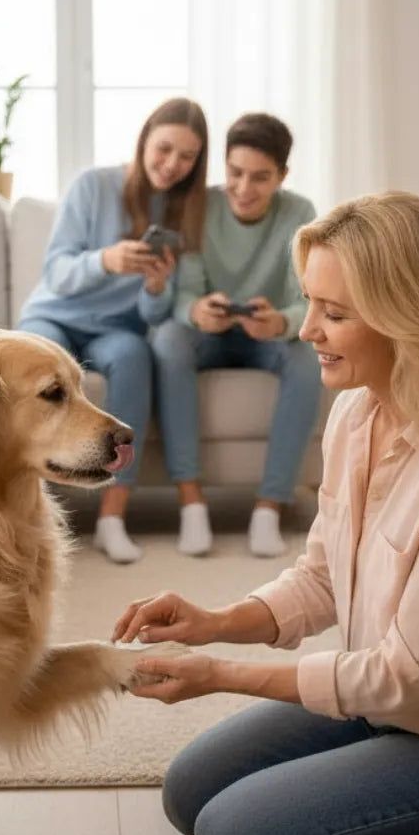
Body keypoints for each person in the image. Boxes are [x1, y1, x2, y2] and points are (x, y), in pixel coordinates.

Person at [112, 191, 419, 835]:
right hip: (380, 710)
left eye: (335, 313)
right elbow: (321, 576)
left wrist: (221, 674)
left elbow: (408, 674)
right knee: (188, 792)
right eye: (310, 303)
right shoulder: (354, 413)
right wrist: (215, 622)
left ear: (407, 317)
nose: (306, 329)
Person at [18, 98, 208, 564]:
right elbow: (57, 272)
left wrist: (156, 286)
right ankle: (26, 515)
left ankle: (111, 517)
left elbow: (154, 314)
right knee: (37, 373)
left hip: (116, 330)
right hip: (56, 314)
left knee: (134, 357)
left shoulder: (181, 212)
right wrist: (106, 260)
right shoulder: (92, 185)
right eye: (164, 148)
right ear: (144, 141)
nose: (172, 164)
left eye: (187, 157)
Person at [150, 114, 322, 558]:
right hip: (210, 335)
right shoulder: (198, 206)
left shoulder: (300, 214)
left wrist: (280, 322)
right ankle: (191, 503)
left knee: (306, 359)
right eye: (235, 173)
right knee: (168, 340)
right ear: (223, 165)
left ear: (282, 176)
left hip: (266, 336)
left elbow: (307, 299)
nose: (244, 188)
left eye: (260, 178)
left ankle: (270, 507)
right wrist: (197, 311)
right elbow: (185, 292)